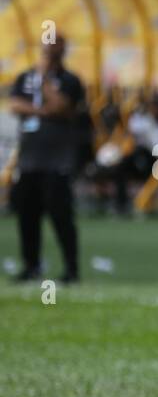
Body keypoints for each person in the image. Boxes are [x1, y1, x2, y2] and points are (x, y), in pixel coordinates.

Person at [8, 35, 86, 283]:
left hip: (58, 158)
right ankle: (31, 266)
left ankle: (71, 269)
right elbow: (16, 104)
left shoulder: (70, 81)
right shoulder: (24, 77)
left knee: (61, 215)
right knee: (27, 215)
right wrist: (42, 111)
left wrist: (43, 83)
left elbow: (62, 107)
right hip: (30, 157)